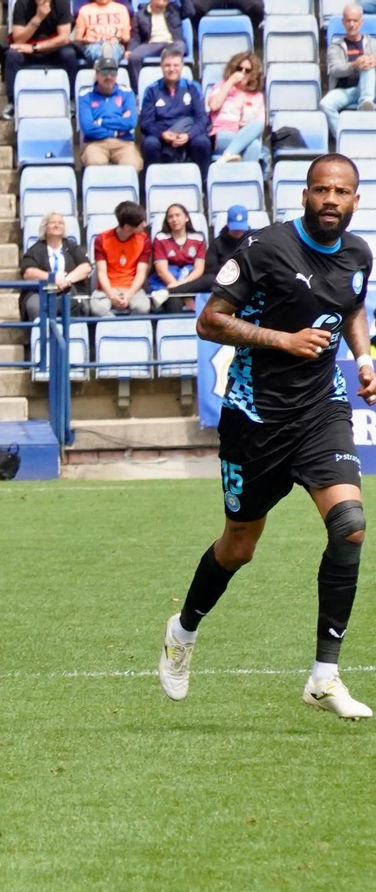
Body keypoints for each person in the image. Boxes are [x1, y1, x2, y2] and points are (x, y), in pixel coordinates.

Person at [161, 153, 376, 720]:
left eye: (343, 191)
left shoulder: (359, 253)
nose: (332, 199)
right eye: (322, 190)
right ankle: (182, 632)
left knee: (350, 528)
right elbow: (209, 321)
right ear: (304, 195)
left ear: (356, 200)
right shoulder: (265, 247)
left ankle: (324, 676)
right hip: (255, 418)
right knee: (239, 547)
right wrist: (282, 340)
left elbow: (351, 302)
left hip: (321, 408)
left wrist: (363, 356)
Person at [141, 45, 212, 180]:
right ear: (161, 66)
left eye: (175, 65)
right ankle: (153, 184)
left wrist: (189, 135)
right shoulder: (151, 90)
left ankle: (201, 185)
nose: (172, 69)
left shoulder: (193, 87)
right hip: (162, 135)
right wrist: (162, 134)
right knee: (150, 144)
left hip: (187, 133)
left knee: (202, 142)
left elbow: (202, 119)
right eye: (167, 65)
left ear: (182, 66)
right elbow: (146, 123)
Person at [1, 0, 77, 119]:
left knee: (69, 54)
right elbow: (18, 39)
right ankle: (12, 103)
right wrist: (38, 18)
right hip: (27, 45)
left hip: (52, 47)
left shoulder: (61, 3)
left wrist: (35, 48)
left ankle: (72, 100)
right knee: (12, 54)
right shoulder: (22, 4)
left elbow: (64, 38)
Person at [166, 203, 252, 298]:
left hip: (246, 280)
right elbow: (210, 270)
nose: (238, 231)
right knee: (210, 279)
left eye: (241, 228)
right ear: (227, 224)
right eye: (235, 228)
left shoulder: (252, 242)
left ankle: (173, 291)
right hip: (223, 281)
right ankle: (175, 291)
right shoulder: (217, 243)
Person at [19, 211, 91, 319]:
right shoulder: (35, 250)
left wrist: (66, 279)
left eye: (60, 223)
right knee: (35, 307)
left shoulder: (71, 247)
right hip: (41, 292)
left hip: (69, 290)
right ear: (45, 227)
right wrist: (53, 279)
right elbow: (28, 272)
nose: (57, 225)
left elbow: (86, 267)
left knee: (75, 304)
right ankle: (41, 335)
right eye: (53, 222)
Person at [321, 4, 376, 137]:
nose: (351, 24)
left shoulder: (373, 43)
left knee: (368, 65)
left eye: (355, 20)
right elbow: (335, 70)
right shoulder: (335, 47)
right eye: (348, 20)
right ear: (343, 22)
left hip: (368, 87)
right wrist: (354, 65)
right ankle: (343, 137)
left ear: (361, 22)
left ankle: (366, 103)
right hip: (344, 90)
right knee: (325, 104)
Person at [77, 56, 142, 169]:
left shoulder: (126, 93)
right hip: (95, 143)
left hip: (123, 143)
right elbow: (88, 127)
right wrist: (116, 131)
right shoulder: (85, 95)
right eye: (104, 72)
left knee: (131, 165)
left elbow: (131, 122)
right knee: (96, 163)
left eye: (112, 72)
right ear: (97, 74)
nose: (108, 76)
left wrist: (101, 122)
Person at [90, 201, 151, 316]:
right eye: (140, 223)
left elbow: (141, 273)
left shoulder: (144, 240)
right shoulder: (102, 239)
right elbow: (101, 273)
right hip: (107, 287)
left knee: (143, 307)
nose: (145, 224)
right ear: (127, 227)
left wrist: (129, 295)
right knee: (98, 309)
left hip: (131, 287)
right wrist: (111, 295)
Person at [208, 51, 266, 164]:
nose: (242, 72)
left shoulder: (257, 96)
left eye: (247, 70)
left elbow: (259, 126)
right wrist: (231, 81)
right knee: (253, 144)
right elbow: (214, 106)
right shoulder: (222, 85)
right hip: (221, 134)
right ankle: (230, 157)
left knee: (255, 143)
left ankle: (228, 156)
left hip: (243, 132)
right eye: (239, 69)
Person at [148, 203, 207, 312]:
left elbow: (199, 269)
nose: (174, 219)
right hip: (166, 282)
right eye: (170, 217)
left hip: (190, 282)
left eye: (178, 215)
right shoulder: (160, 239)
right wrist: (184, 295)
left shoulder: (198, 238)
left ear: (186, 218)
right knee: (174, 302)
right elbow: (162, 271)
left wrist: (182, 287)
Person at [127, 0, 183, 69]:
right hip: (151, 45)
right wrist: (130, 50)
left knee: (180, 45)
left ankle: (171, 75)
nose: (161, 4)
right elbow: (135, 37)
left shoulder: (174, 11)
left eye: (165, 1)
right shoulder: (140, 15)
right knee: (133, 57)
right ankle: (136, 80)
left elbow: (190, 11)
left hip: (171, 44)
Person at [72, 0, 130, 66]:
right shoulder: (84, 10)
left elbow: (126, 37)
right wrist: (86, 41)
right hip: (93, 45)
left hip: (114, 45)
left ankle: (102, 69)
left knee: (113, 50)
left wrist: (118, 39)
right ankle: (108, 69)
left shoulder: (122, 9)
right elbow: (77, 39)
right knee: (96, 51)